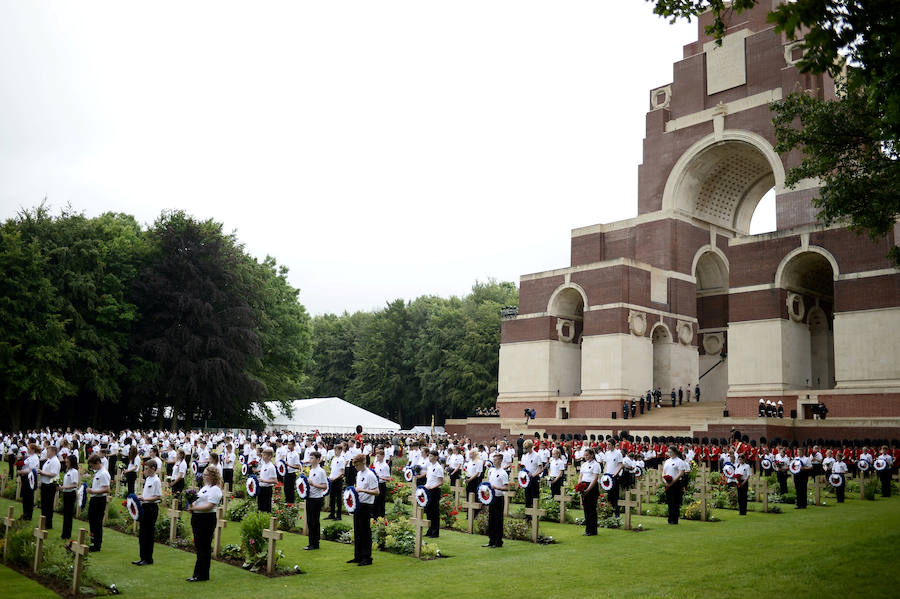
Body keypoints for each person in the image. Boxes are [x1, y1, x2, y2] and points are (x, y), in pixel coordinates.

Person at [186, 467, 223, 582]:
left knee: (204, 547)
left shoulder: (215, 489)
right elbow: (198, 500)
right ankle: (197, 573)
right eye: (204, 474)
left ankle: (202, 575)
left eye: (206, 475)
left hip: (206, 519)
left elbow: (209, 506)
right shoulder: (205, 488)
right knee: (199, 546)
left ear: (213, 476)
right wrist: (191, 504)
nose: (204, 476)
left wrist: (195, 508)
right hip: (198, 517)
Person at [348, 454, 378, 566]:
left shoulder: (370, 475)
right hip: (358, 504)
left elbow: (376, 491)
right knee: (358, 531)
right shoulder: (359, 473)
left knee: (365, 532)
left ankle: (367, 557)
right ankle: (358, 555)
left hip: (366, 505)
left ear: (362, 463)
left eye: (357, 465)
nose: (355, 467)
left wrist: (363, 490)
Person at [133, 460, 162, 566]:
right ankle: (142, 557)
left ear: (153, 468)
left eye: (147, 468)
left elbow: (157, 496)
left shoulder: (156, 480)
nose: (145, 471)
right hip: (144, 506)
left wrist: (144, 498)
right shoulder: (148, 479)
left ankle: (148, 558)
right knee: (142, 534)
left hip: (151, 507)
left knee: (148, 534)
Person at [483, 452, 509, 548]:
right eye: (493, 459)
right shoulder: (492, 471)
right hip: (492, 498)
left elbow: (506, 488)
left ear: (501, 460)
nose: (494, 461)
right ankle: (491, 540)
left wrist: (496, 487)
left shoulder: (503, 473)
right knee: (491, 519)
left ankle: (498, 542)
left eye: (496, 459)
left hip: (499, 498)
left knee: (498, 520)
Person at [86, 453, 110, 551]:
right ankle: (93, 541)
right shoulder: (98, 472)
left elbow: (107, 489)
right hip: (94, 498)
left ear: (97, 463)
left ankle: (97, 544)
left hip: (99, 499)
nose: (92, 468)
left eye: (93, 465)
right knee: (92, 520)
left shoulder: (103, 473)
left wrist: (93, 491)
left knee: (97, 522)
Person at [305, 451, 328, 550]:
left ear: (318, 460)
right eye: (310, 458)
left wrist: (314, 485)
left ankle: (316, 543)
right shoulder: (311, 470)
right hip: (310, 497)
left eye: (312, 458)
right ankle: (311, 542)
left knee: (315, 521)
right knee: (309, 521)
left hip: (317, 498)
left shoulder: (321, 471)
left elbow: (325, 485)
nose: (310, 460)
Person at [38, 445, 61, 529]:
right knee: (44, 505)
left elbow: (53, 474)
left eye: (48, 451)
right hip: (45, 484)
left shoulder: (55, 461)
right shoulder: (49, 460)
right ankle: (43, 522)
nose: (47, 453)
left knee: (48, 505)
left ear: (54, 452)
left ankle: (47, 524)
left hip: (50, 485)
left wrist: (42, 473)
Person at [579, 447, 601, 536]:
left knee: (592, 509)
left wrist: (588, 489)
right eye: (585, 455)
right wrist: (579, 486)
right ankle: (587, 529)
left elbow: (595, 478)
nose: (586, 457)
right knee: (586, 509)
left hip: (592, 487)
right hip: (583, 486)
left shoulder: (596, 465)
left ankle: (593, 530)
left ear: (592, 455)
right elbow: (580, 476)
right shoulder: (583, 465)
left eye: (587, 455)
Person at [423, 450, 444, 537]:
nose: (430, 458)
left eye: (431, 456)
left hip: (435, 491)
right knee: (429, 511)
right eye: (429, 456)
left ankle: (435, 532)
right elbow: (429, 479)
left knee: (434, 512)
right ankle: (430, 530)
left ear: (436, 457)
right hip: (428, 490)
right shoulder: (430, 466)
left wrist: (432, 487)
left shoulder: (438, 467)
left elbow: (441, 482)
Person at [663, 447, 686, 524]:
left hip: (676, 483)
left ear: (675, 452)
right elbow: (664, 472)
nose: (669, 453)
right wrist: (665, 481)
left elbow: (680, 473)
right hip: (667, 483)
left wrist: (672, 482)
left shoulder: (679, 461)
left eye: (670, 452)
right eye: (668, 452)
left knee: (675, 502)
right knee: (669, 502)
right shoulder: (667, 461)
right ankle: (670, 519)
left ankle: (675, 519)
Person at [60, 454, 80, 540]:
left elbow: (74, 485)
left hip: (70, 494)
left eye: (67, 460)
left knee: (68, 514)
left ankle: (67, 534)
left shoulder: (74, 471)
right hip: (66, 493)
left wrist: (63, 487)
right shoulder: (69, 471)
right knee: (66, 514)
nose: (66, 462)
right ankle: (64, 533)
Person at [19, 443, 39, 521]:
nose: (28, 449)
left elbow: (30, 470)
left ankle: (28, 515)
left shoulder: (34, 458)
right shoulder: (29, 457)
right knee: (25, 497)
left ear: (33, 449)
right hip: (25, 478)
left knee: (29, 498)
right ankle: (25, 513)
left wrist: (21, 472)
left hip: (30, 479)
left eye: (29, 448)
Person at [326, 444, 346, 520]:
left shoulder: (341, 459)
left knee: (338, 498)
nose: (335, 451)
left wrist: (335, 478)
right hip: (332, 479)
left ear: (340, 450)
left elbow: (342, 472)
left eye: (336, 450)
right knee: (332, 498)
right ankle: (332, 514)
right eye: (334, 450)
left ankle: (339, 515)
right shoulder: (334, 459)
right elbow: (332, 470)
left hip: (338, 480)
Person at [372, 448, 391, 519]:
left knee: (381, 502)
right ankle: (375, 516)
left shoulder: (385, 466)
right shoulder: (376, 464)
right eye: (377, 456)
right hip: (376, 484)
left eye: (378, 456)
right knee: (375, 501)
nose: (377, 458)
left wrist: (380, 477)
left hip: (381, 484)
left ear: (383, 456)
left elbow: (388, 479)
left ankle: (381, 516)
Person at [257, 448, 277, 513]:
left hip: (267, 488)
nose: (263, 456)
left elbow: (275, 481)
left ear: (269, 456)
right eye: (263, 455)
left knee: (266, 506)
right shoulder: (263, 465)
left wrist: (264, 481)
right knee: (260, 506)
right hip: (261, 488)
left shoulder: (271, 467)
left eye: (265, 455)